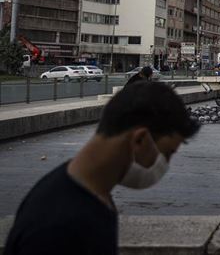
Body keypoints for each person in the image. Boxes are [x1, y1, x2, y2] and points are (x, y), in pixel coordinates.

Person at [4, 81, 200, 255]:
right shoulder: (58, 229)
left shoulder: (90, 194)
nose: (165, 164)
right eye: (167, 153)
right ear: (139, 140)